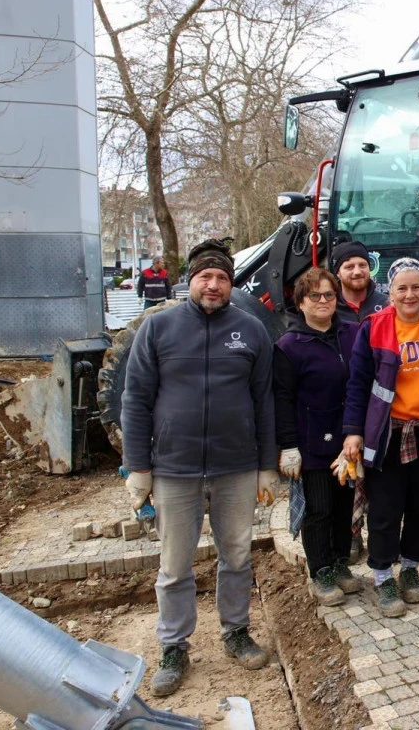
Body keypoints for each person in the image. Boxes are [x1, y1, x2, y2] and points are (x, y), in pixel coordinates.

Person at [121, 238, 277, 697]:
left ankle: (235, 632)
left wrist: (267, 465)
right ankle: (174, 646)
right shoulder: (159, 328)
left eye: (222, 278)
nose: (214, 285)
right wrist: (138, 466)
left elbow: (264, 401)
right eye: (205, 277)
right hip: (174, 470)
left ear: (231, 284)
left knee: (237, 556)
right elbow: (135, 400)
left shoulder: (251, 331)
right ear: (191, 280)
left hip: (236, 468)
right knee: (174, 566)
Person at [341, 258, 419, 619]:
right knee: (386, 509)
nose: (409, 294)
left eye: (416, 286)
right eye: (401, 287)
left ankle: (412, 566)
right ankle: (383, 575)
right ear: (389, 292)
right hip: (388, 435)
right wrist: (353, 433)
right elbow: (357, 386)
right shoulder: (374, 328)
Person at [273, 267, 361, 606]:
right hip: (311, 443)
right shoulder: (289, 347)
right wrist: (288, 445)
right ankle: (320, 571)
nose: (324, 301)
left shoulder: (353, 334)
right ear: (300, 303)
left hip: (348, 438)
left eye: (329, 294)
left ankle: (340, 563)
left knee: (344, 508)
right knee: (320, 509)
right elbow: (281, 399)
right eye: (315, 296)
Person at [331, 240, 389, 324]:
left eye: (362, 265)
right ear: (338, 273)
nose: (357, 272)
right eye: (349, 267)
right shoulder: (329, 308)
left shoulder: (387, 304)